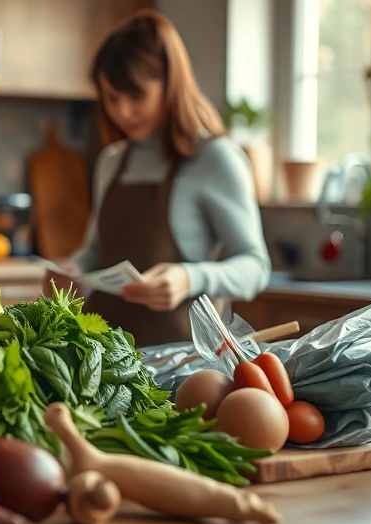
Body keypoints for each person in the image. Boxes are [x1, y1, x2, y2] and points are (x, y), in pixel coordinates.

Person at [46, 9, 271, 348]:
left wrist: (189, 277)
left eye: (136, 95)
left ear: (170, 82)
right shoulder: (112, 161)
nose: (122, 112)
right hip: (104, 362)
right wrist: (70, 270)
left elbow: (255, 268)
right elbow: (94, 252)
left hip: (185, 366)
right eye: (111, 98)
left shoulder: (215, 158)